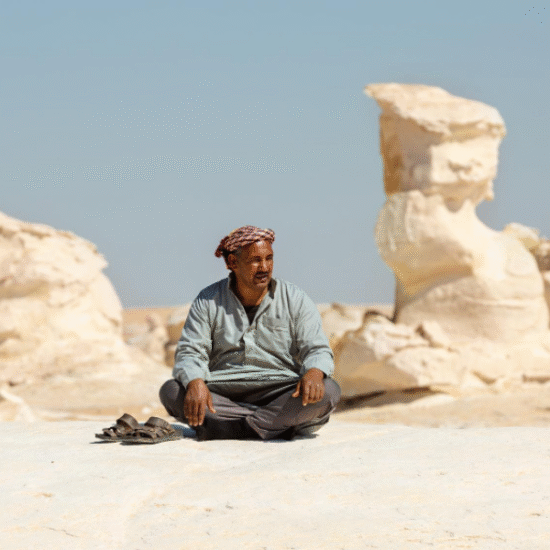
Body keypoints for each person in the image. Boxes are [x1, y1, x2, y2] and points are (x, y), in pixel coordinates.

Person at [159, 225, 341, 441]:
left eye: (269, 258)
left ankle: (229, 429)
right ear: (233, 263)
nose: (264, 267)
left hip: (280, 391)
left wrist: (314, 372)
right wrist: (195, 382)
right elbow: (190, 351)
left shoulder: (295, 298)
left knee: (329, 390)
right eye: (255, 260)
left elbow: (317, 349)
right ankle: (274, 426)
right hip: (223, 391)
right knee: (172, 391)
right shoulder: (208, 300)